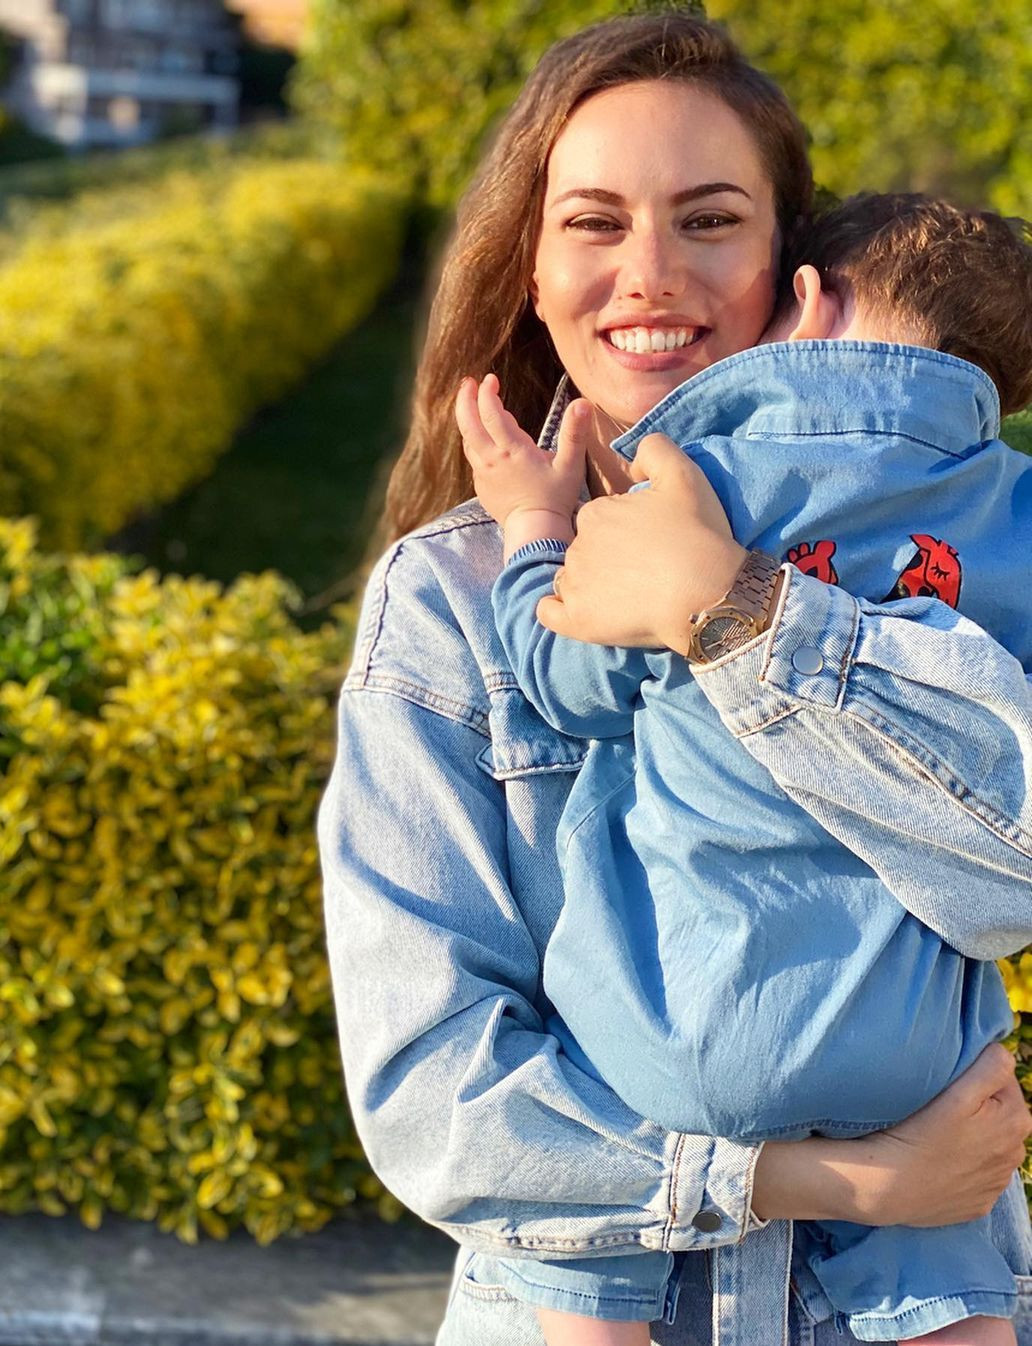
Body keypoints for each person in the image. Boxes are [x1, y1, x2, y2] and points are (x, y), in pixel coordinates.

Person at [317, 14, 1032, 1346]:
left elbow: (1015, 871)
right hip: (602, 1292)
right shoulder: (452, 600)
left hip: (907, 1300)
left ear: (796, 275)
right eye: (594, 222)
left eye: (709, 220)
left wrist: (741, 609)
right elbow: (435, 1091)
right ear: (527, 271)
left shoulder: (939, 551)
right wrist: (813, 1180)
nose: (650, 273)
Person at [457, 191, 1032, 1346]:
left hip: (668, 1037)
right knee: (953, 1274)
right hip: (911, 1058)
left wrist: (531, 534)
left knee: (584, 1272)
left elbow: (568, 679)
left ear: (804, 300)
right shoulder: (1015, 510)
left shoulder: (692, 476)